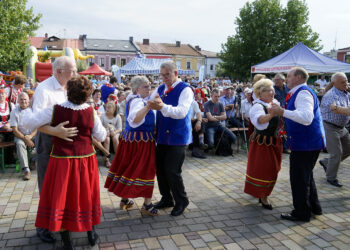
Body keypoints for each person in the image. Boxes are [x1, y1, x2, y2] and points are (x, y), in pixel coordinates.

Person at [22, 75, 106, 249]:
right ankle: (91, 232)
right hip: (85, 161)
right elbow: (102, 135)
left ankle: (67, 240)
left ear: (68, 91)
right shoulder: (90, 112)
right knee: (86, 195)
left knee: (63, 197)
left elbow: (27, 122)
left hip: (62, 162)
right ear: (88, 94)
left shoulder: (55, 110)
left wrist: (31, 110)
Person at [30, 56, 78, 243]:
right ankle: (43, 227)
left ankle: (61, 221)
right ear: (59, 72)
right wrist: (56, 131)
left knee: (63, 185)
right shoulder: (44, 89)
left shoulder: (70, 87)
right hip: (49, 141)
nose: (75, 74)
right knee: (47, 184)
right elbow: (36, 121)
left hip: (67, 143)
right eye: (72, 70)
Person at [270, 67, 325, 222]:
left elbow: (306, 117)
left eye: (289, 76)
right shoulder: (300, 92)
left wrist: (282, 112)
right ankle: (314, 207)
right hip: (307, 142)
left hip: (306, 143)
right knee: (307, 176)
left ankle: (302, 212)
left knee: (299, 179)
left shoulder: (303, 93)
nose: (286, 79)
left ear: (299, 77)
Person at [105, 76, 158, 216]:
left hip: (130, 141)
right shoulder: (138, 102)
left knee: (127, 169)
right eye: (146, 86)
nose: (149, 88)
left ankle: (125, 200)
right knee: (146, 170)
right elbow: (135, 119)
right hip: (141, 142)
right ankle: (147, 205)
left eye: (149, 86)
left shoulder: (133, 99)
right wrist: (147, 107)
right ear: (137, 89)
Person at [147, 61, 192, 216]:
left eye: (167, 74)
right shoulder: (160, 88)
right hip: (162, 136)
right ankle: (167, 198)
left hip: (177, 136)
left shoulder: (185, 89)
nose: (164, 78)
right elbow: (151, 105)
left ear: (176, 73)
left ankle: (182, 200)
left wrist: (162, 107)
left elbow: (181, 112)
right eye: (162, 75)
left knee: (173, 171)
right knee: (160, 169)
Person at [244, 79, 282, 210]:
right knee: (263, 170)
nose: (272, 92)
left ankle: (263, 193)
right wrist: (271, 115)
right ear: (260, 93)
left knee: (274, 169)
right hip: (262, 143)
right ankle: (263, 195)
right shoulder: (257, 106)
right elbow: (259, 120)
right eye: (269, 90)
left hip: (274, 141)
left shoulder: (275, 103)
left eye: (272, 90)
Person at [319, 72, 350, 187]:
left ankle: (327, 162)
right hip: (330, 126)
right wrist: (337, 108)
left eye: (346, 80)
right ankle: (331, 177)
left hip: (341, 127)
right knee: (336, 153)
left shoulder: (345, 92)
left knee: (348, 148)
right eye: (343, 82)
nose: (346, 83)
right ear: (334, 83)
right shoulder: (331, 95)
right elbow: (337, 110)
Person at [9, 92, 37, 180]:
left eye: (25, 99)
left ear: (28, 101)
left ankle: (33, 160)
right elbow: (15, 130)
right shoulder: (14, 112)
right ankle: (26, 169)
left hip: (33, 135)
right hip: (20, 135)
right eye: (21, 99)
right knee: (20, 144)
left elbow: (37, 127)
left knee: (43, 140)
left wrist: (30, 136)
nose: (23, 101)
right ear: (18, 101)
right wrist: (25, 139)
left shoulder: (33, 110)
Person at [273, 73, 290, 154]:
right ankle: (279, 146)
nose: (275, 81)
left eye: (277, 80)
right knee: (278, 129)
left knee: (287, 129)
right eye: (275, 80)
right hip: (277, 112)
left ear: (283, 80)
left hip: (288, 112)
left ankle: (286, 147)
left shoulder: (289, 88)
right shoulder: (272, 89)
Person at [101, 102, 122, 167]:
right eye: (106, 107)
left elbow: (120, 129)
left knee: (115, 138)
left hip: (115, 131)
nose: (107, 109)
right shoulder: (103, 115)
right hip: (105, 131)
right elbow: (100, 127)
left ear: (113, 109)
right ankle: (106, 160)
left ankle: (118, 158)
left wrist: (114, 132)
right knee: (107, 139)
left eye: (109, 107)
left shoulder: (117, 116)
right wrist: (105, 131)